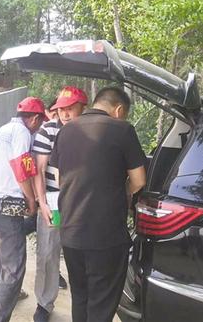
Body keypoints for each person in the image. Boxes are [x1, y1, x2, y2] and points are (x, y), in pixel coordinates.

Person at [51, 86, 147, 322]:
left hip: (71, 232)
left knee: (80, 297)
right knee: (101, 304)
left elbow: (59, 178)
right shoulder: (123, 130)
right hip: (106, 237)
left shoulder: (66, 130)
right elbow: (139, 180)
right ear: (119, 110)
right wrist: (120, 192)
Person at [0, 97, 47, 322]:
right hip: (8, 202)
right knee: (15, 268)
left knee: (6, 249)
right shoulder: (22, 132)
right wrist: (31, 199)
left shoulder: (4, 130)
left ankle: (5, 287)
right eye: (40, 123)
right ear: (35, 119)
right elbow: (22, 167)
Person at [31, 86, 87, 322]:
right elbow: (39, 169)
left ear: (83, 108)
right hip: (53, 200)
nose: (65, 113)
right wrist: (42, 202)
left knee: (83, 255)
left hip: (83, 202)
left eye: (71, 108)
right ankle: (44, 303)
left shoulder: (90, 131)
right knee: (47, 253)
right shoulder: (48, 130)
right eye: (61, 109)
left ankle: (85, 306)